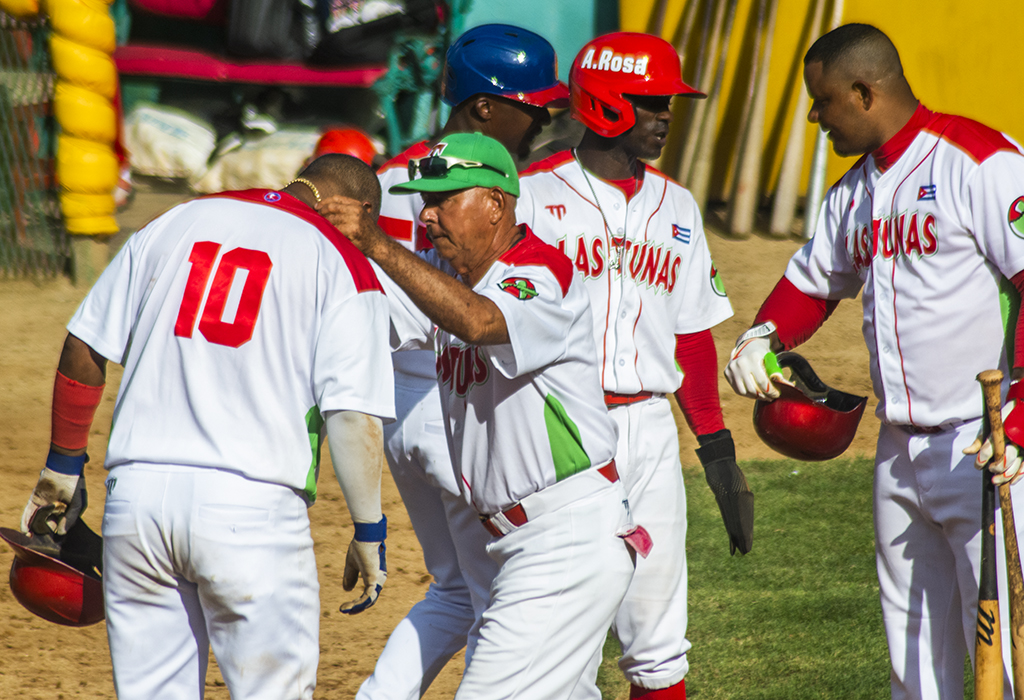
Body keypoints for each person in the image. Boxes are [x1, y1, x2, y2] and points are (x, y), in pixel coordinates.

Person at [18, 155, 396, 700]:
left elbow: (84, 345)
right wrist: (368, 528)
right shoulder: (342, 259)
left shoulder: (177, 218)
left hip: (138, 502)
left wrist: (61, 469)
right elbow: (352, 416)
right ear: (361, 210)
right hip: (251, 511)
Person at [723, 23, 1024, 700]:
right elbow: (811, 281)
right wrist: (761, 336)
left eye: (822, 101)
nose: (813, 116)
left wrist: (1023, 420)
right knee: (915, 661)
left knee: (1009, 657)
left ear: (862, 92)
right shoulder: (854, 193)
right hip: (899, 452)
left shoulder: (977, 162)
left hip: (987, 446)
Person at [319, 131, 641, 700]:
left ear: (496, 203)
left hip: (563, 542)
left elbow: (479, 322)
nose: (429, 214)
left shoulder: (541, 273)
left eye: (446, 199)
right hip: (518, 546)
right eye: (425, 201)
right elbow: (361, 315)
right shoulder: (455, 281)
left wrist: (375, 242)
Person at [515, 32, 753, 699]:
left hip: (649, 432)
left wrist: (718, 452)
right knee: (560, 637)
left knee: (657, 635)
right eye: (651, 102)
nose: (665, 118)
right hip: (560, 428)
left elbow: (692, 338)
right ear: (604, 103)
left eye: (668, 104)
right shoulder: (530, 196)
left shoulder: (677, 206)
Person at [360, 24, 570, 700]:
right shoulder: (500, 194)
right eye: (532, 108)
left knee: (454, 588)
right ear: (484, 107)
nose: (542, 122)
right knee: (505, 604)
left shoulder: (385, 179)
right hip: (467, 411)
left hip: (397, 411)